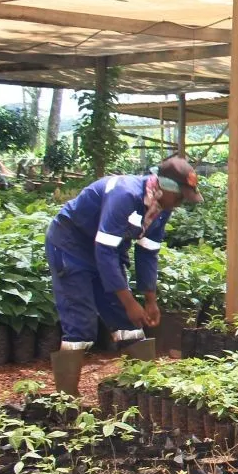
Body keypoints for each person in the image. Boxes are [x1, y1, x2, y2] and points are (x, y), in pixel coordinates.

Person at [46, 156, 202, 396]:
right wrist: (129, 302)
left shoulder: (161, 207)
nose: (181, 202)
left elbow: (147, 252)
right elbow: (104, 250)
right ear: (165, 187)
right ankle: (66, 399)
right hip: (71, 246)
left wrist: (150, 300)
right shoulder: (125, 194)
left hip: (107, 250)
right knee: (81, 323)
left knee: (127, 322)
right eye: (181, 195)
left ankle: (144, 388)